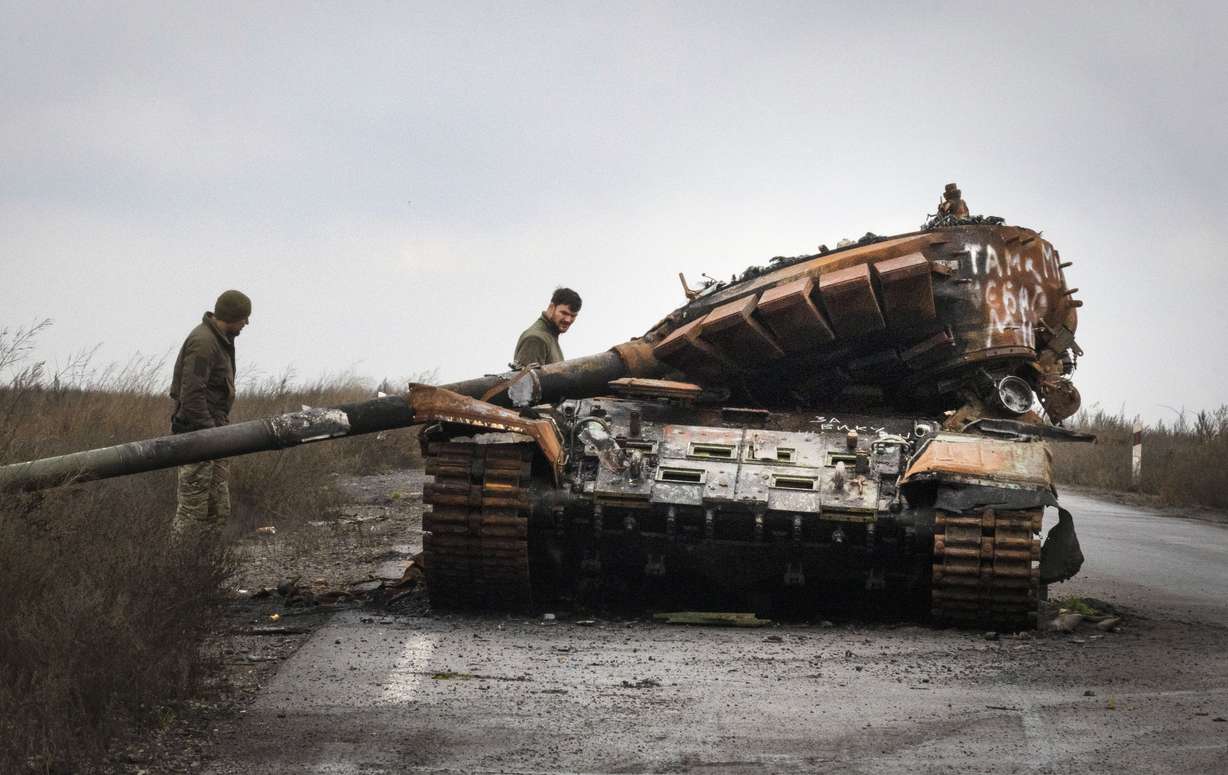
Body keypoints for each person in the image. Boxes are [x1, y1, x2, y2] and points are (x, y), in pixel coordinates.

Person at [169, 290, 251, 535]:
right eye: (244, 318)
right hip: (199, 439)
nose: (247, 323)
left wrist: (217, 435)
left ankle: (204, 565)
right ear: (232, 316)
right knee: (192, 514)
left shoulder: (219, 339)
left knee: (217, 510)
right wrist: (210, 434)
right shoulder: (204, 343)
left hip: (213, 436)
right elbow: (192, 393)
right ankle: (180, 567)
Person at [513, 287, 581, 368]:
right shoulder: (536, 339)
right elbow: (524, 379)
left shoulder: (549, 337)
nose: (568, 320)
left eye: (573, 316)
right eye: (564, 313)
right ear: (551, 308)